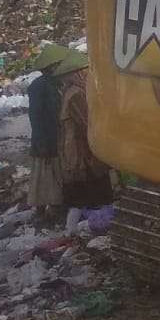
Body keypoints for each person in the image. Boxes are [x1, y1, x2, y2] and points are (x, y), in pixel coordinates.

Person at [54, 48, 112, 209]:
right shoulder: (76, 94)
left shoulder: (72, 91)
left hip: (77, 141)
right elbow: (86, 121)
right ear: (77, 74)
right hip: (79, 143)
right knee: (90, 179)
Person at [26, 44, 69, 223]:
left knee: (53, 173)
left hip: (55, 136)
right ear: (51, 66)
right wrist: (41, 141)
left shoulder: (56, 84)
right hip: (45, 138)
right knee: (44, 175)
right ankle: (44, 207)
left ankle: (53, 205)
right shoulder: (39, 86)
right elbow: (35, 116)